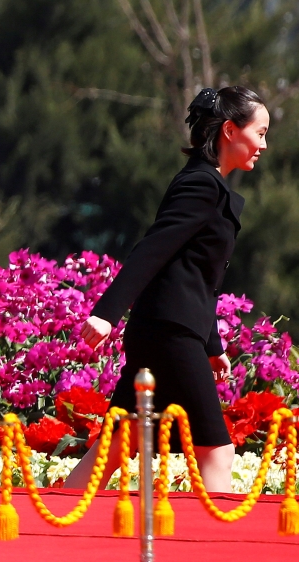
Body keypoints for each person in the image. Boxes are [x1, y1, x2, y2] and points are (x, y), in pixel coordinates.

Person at [64, 86, 269, 493]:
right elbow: (152, 251)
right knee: (217, 451)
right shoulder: (201, 185)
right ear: (230, 130)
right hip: (168, 334)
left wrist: (212, 345)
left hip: (167, 329)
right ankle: (220, 550)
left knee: (116, 444)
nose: (264, 144)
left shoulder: (209, 185)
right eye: (260, 133)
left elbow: (198, 275)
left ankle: (53, 524)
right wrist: (105, 314)